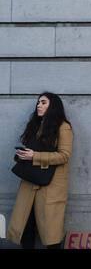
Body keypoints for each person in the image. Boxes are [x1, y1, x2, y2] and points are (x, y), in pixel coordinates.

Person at [7, 92, 73, 249]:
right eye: (38, 103)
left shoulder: (63, 127)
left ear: (53, 106)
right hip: (30, 183)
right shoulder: (36, 126)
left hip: (50, 186)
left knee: (51, 233)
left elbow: (64, 156)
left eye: (43, 102)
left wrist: (34, 156)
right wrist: (23, 155)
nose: (39, 105)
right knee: (25, 228)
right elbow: (33, 152)